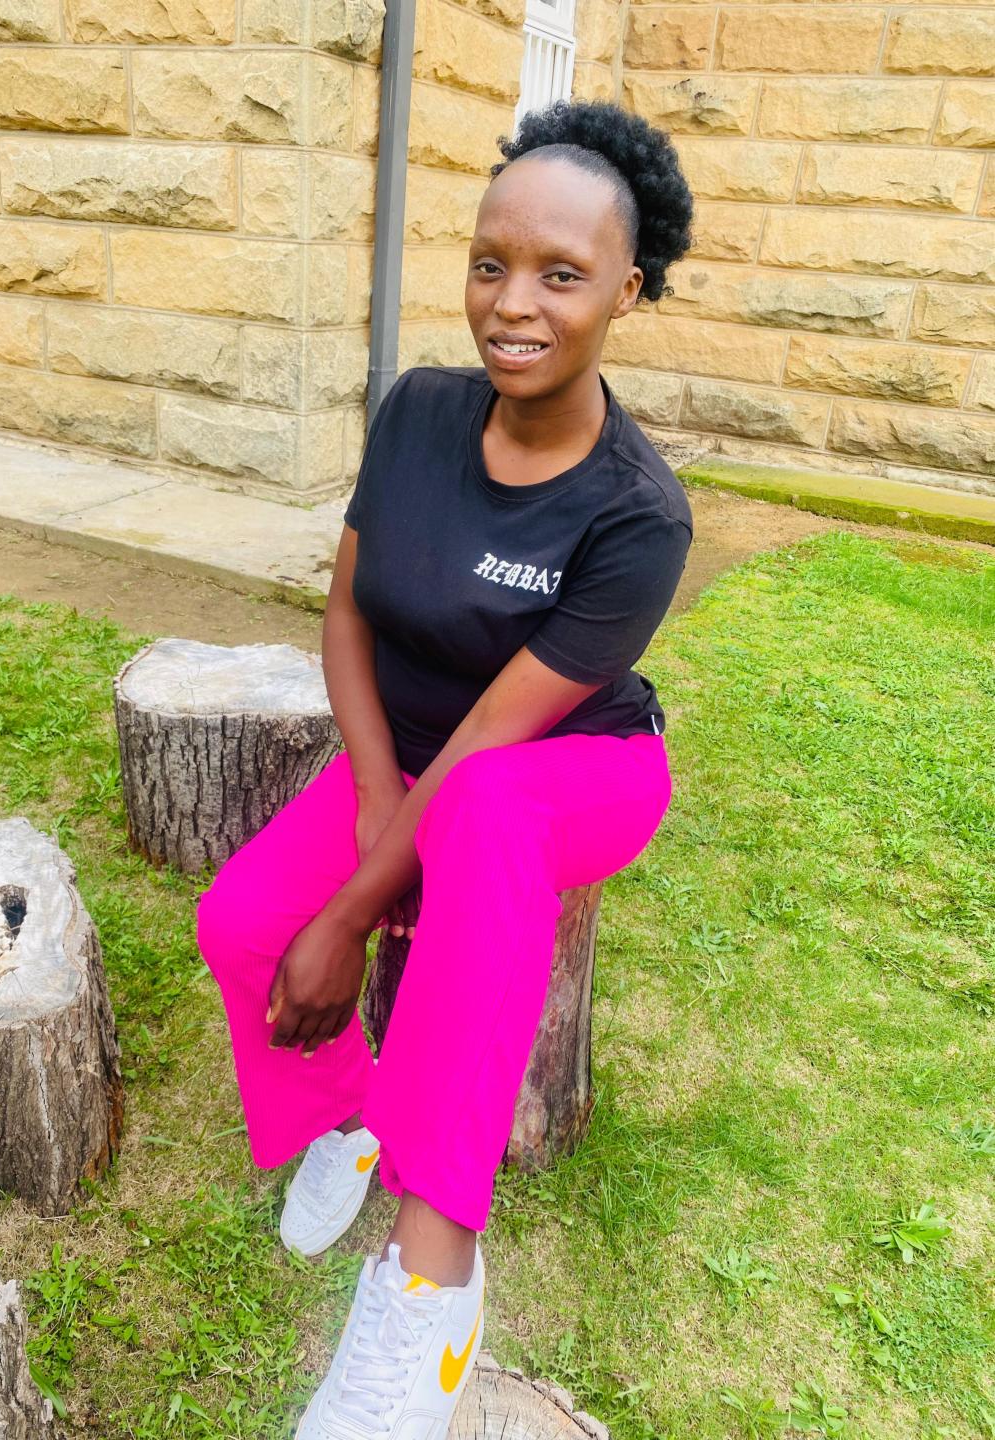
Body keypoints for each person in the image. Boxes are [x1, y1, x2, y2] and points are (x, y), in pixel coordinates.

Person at [195, 96, 696, 1439]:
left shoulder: (638, 513)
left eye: (561, 275)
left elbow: (495, 744)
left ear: (626, 291)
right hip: (413, 757)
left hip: (566, 771)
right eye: (490, 263)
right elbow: (346, 614)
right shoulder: (417, 410)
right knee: (242, 923)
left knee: (475, 817)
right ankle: (346, 1117)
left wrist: (357, 911)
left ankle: (434, 1283)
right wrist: (373, 810)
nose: (512, 304)